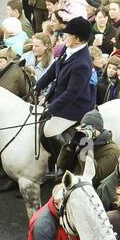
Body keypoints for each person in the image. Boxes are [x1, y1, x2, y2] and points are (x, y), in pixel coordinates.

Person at [35, 17, 98, 178]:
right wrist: (38, 86)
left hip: (76, 106)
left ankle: (63, 165)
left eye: (68, 35)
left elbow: (72, 93)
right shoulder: (67, 49)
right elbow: (53, 70)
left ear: (77, 38)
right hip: (60, 97)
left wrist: (51, 108)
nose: (65, 37)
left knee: (49, 131)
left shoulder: (83, 63)